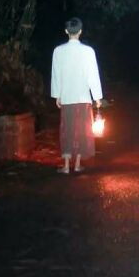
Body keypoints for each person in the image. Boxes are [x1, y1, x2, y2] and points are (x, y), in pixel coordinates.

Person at [50, 18, 103, 174]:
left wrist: (57, 95)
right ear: (80, 31)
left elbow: (56, 75)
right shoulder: (88, 51)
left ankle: (66, 166)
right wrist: (97, 97)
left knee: (67, 130)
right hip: (83, 98)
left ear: (66, 31)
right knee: (81, 130)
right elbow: (93, 75)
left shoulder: (58, 51)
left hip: (67, 97)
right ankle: (78, 164)